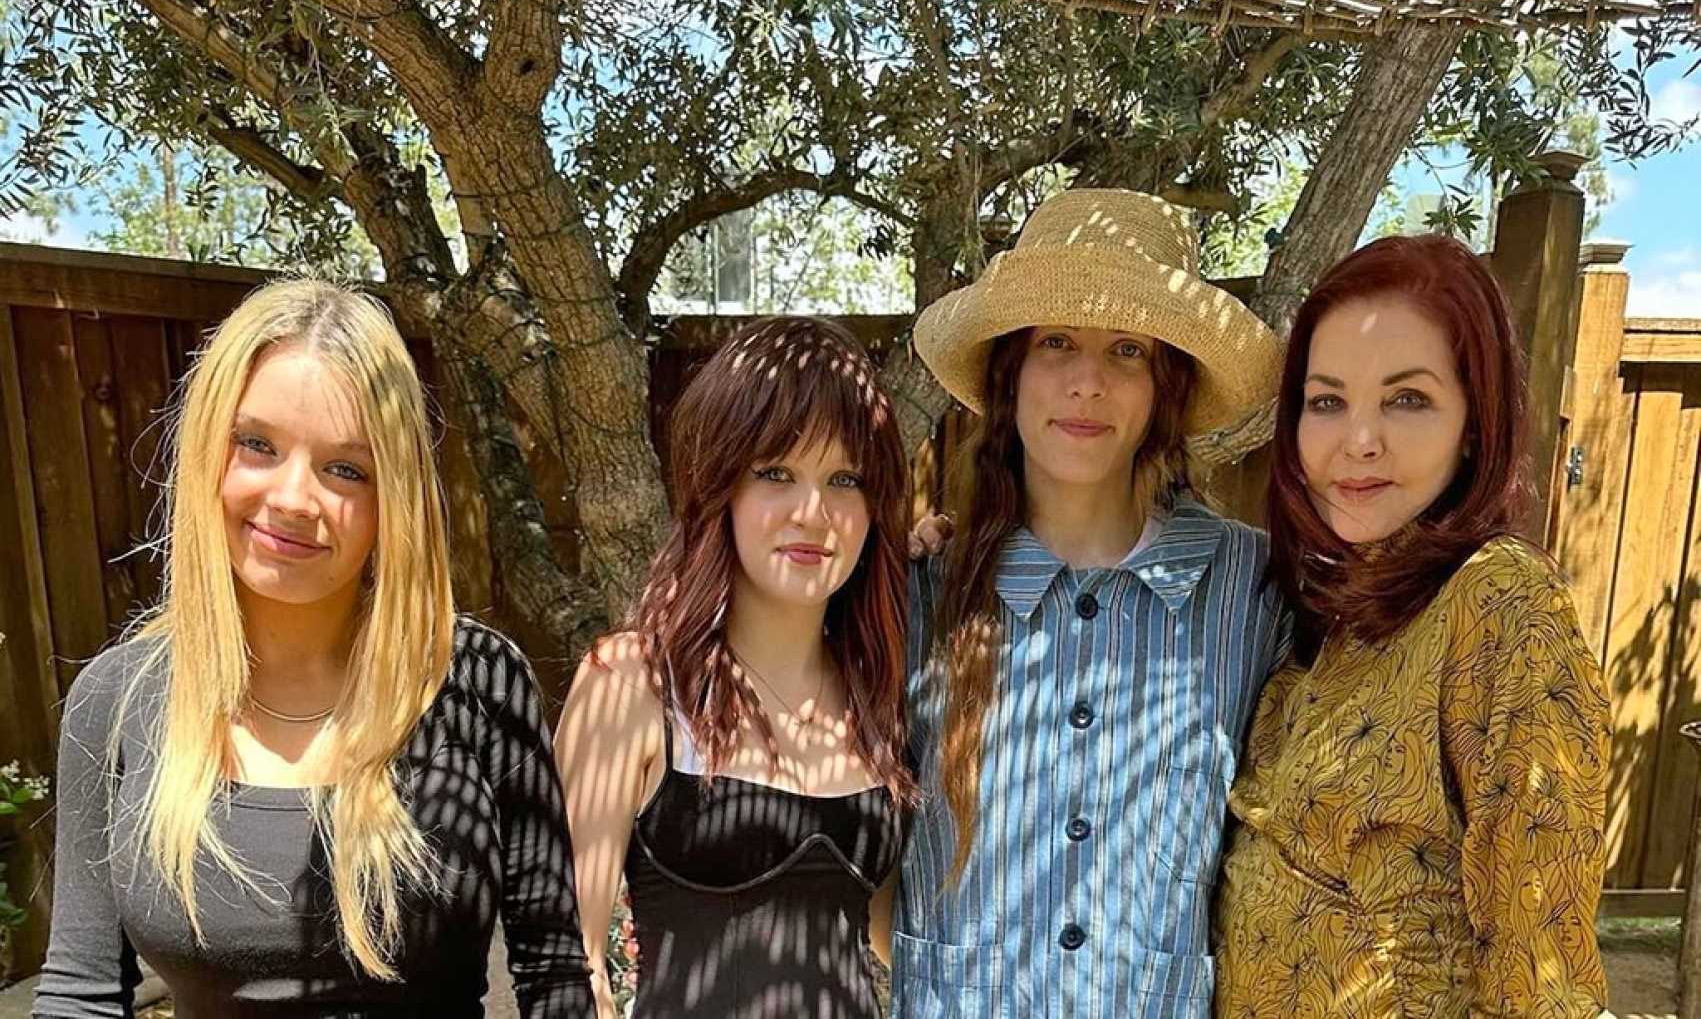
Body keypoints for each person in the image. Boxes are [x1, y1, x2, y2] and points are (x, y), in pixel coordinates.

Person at [33, 279, 594, 1018]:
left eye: (346, 469)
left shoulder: (476, 684)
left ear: (393, 499)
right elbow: (80, 992)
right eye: (257, 445)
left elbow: (552, 971)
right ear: (208, 451)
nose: (295, 498)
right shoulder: (117, 698)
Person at [892, 189, 1287, 1016]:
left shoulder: (1254, 592)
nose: (1085, 383)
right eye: (1056, 343)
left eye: (1127, 351)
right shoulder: (923, 588)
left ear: (1166, 387)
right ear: (1009, 374)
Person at [1214, 234, 1610, 1016]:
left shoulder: (1499, 603)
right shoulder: (1336, 605)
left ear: (1473, 422)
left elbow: (1542, 962)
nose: (1358, 439)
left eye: (1406, 399)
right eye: (1326, 401)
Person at [555, 316, 916, 1019]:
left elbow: (905, 939)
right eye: (776, 473)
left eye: (844, 478)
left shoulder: (881, 698)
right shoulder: (632, 685)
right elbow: (568, 965)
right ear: (719, 484)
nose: (813, 513)